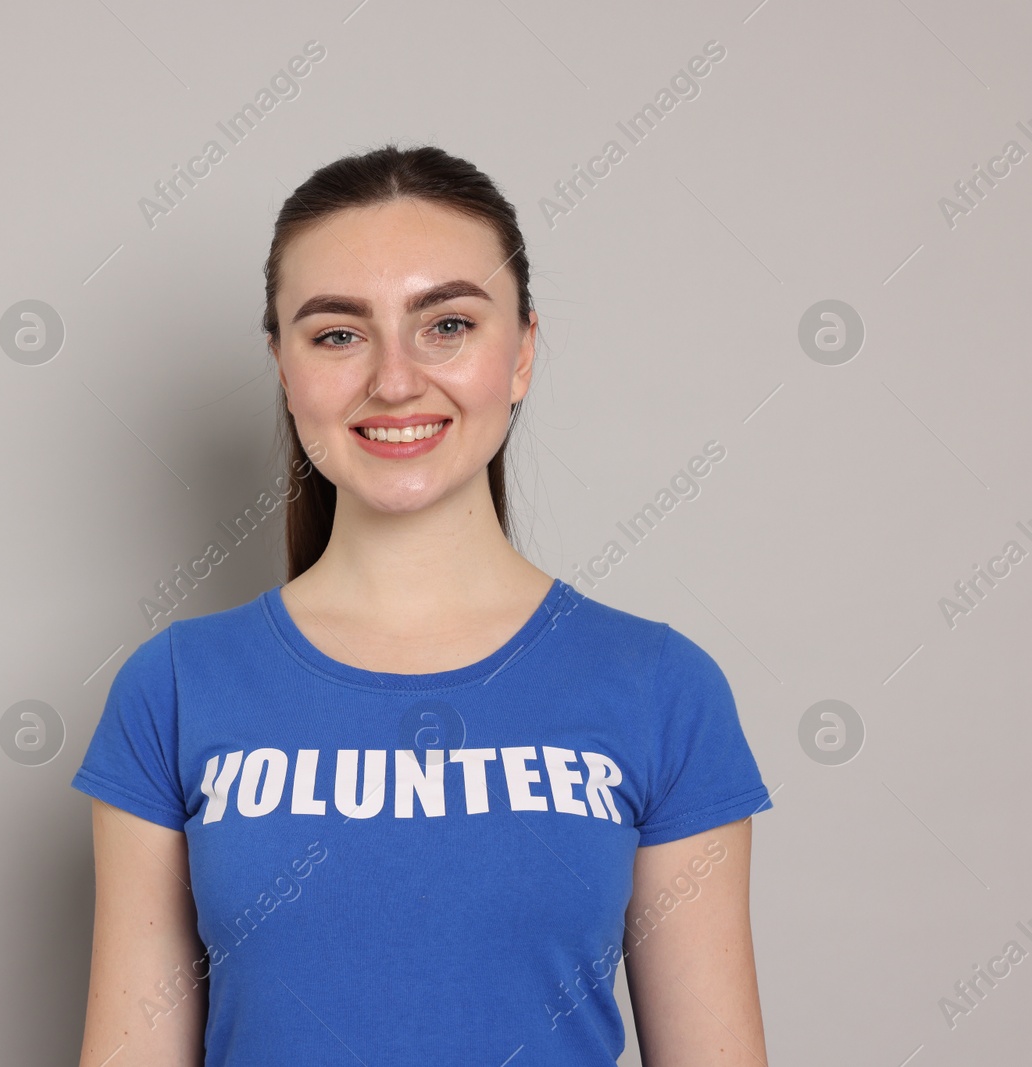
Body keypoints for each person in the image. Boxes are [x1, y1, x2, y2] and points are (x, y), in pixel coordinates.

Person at [71, 143, 773, 1066]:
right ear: (284, 367)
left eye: (447, 325)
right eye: (336, 334)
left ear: (520, 351)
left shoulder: (660, 689)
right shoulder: (172, 690)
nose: (395, 380)